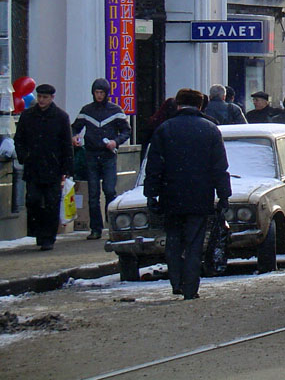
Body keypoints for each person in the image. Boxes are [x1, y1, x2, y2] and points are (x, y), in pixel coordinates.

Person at [144, 88, 231, 301]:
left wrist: (151, 194)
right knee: (194, 243)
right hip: (200, 196)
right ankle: (191, 287)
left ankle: (177, 282)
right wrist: (224, 196)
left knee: (173, 240)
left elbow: (154, 166)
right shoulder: (211, 130)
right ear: (200, 106)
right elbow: (219, 167)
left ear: (179, 105)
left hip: (171, 194)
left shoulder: (165, 129)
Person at [14, 84, 73, 251]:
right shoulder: (28, 116)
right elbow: (19, 139)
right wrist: (24, 156)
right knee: (32, 200)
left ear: (52, 98)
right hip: (33, 166)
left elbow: (66, 144)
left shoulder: (61, 117)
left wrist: (67, 169)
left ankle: (48, 237)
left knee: (51, 204)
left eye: (45, 97)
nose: (41, 100)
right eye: (39, 97)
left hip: (53, 168)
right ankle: (38, 233)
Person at [73, 78, 130, 240]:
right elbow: (74, 127)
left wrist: (115, 142)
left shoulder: (115, 111)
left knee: (110, 190)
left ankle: (112, 226)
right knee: (93, 193)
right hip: (91, 154)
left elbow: (126, 131)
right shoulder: (86, 111)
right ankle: (96, 228)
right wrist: (75, 137)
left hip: (108, 155)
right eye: (97, 93)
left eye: (102, 93)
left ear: (106, 94)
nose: (99, 96)